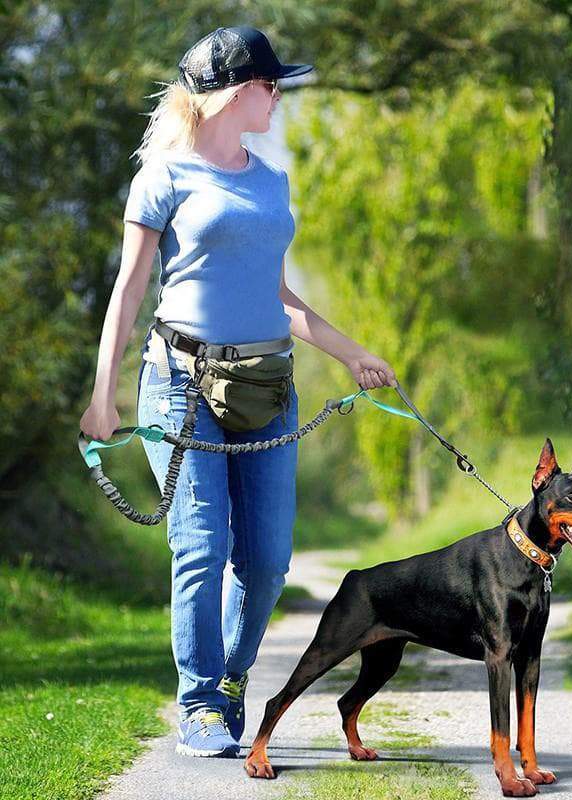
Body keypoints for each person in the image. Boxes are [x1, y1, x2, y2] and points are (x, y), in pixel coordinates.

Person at [79, 26, 396, 758]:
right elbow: (128, 292)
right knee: (201, 545)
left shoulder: (270, 181)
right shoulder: (163, 177)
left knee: (266, 559)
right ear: (235, 92)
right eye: (270, 84)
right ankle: (199, 704)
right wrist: (103, 395)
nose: (278, 95)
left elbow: (277, 295)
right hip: (180, 385)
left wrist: (352, 353)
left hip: (268, 385)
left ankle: (229, 680)